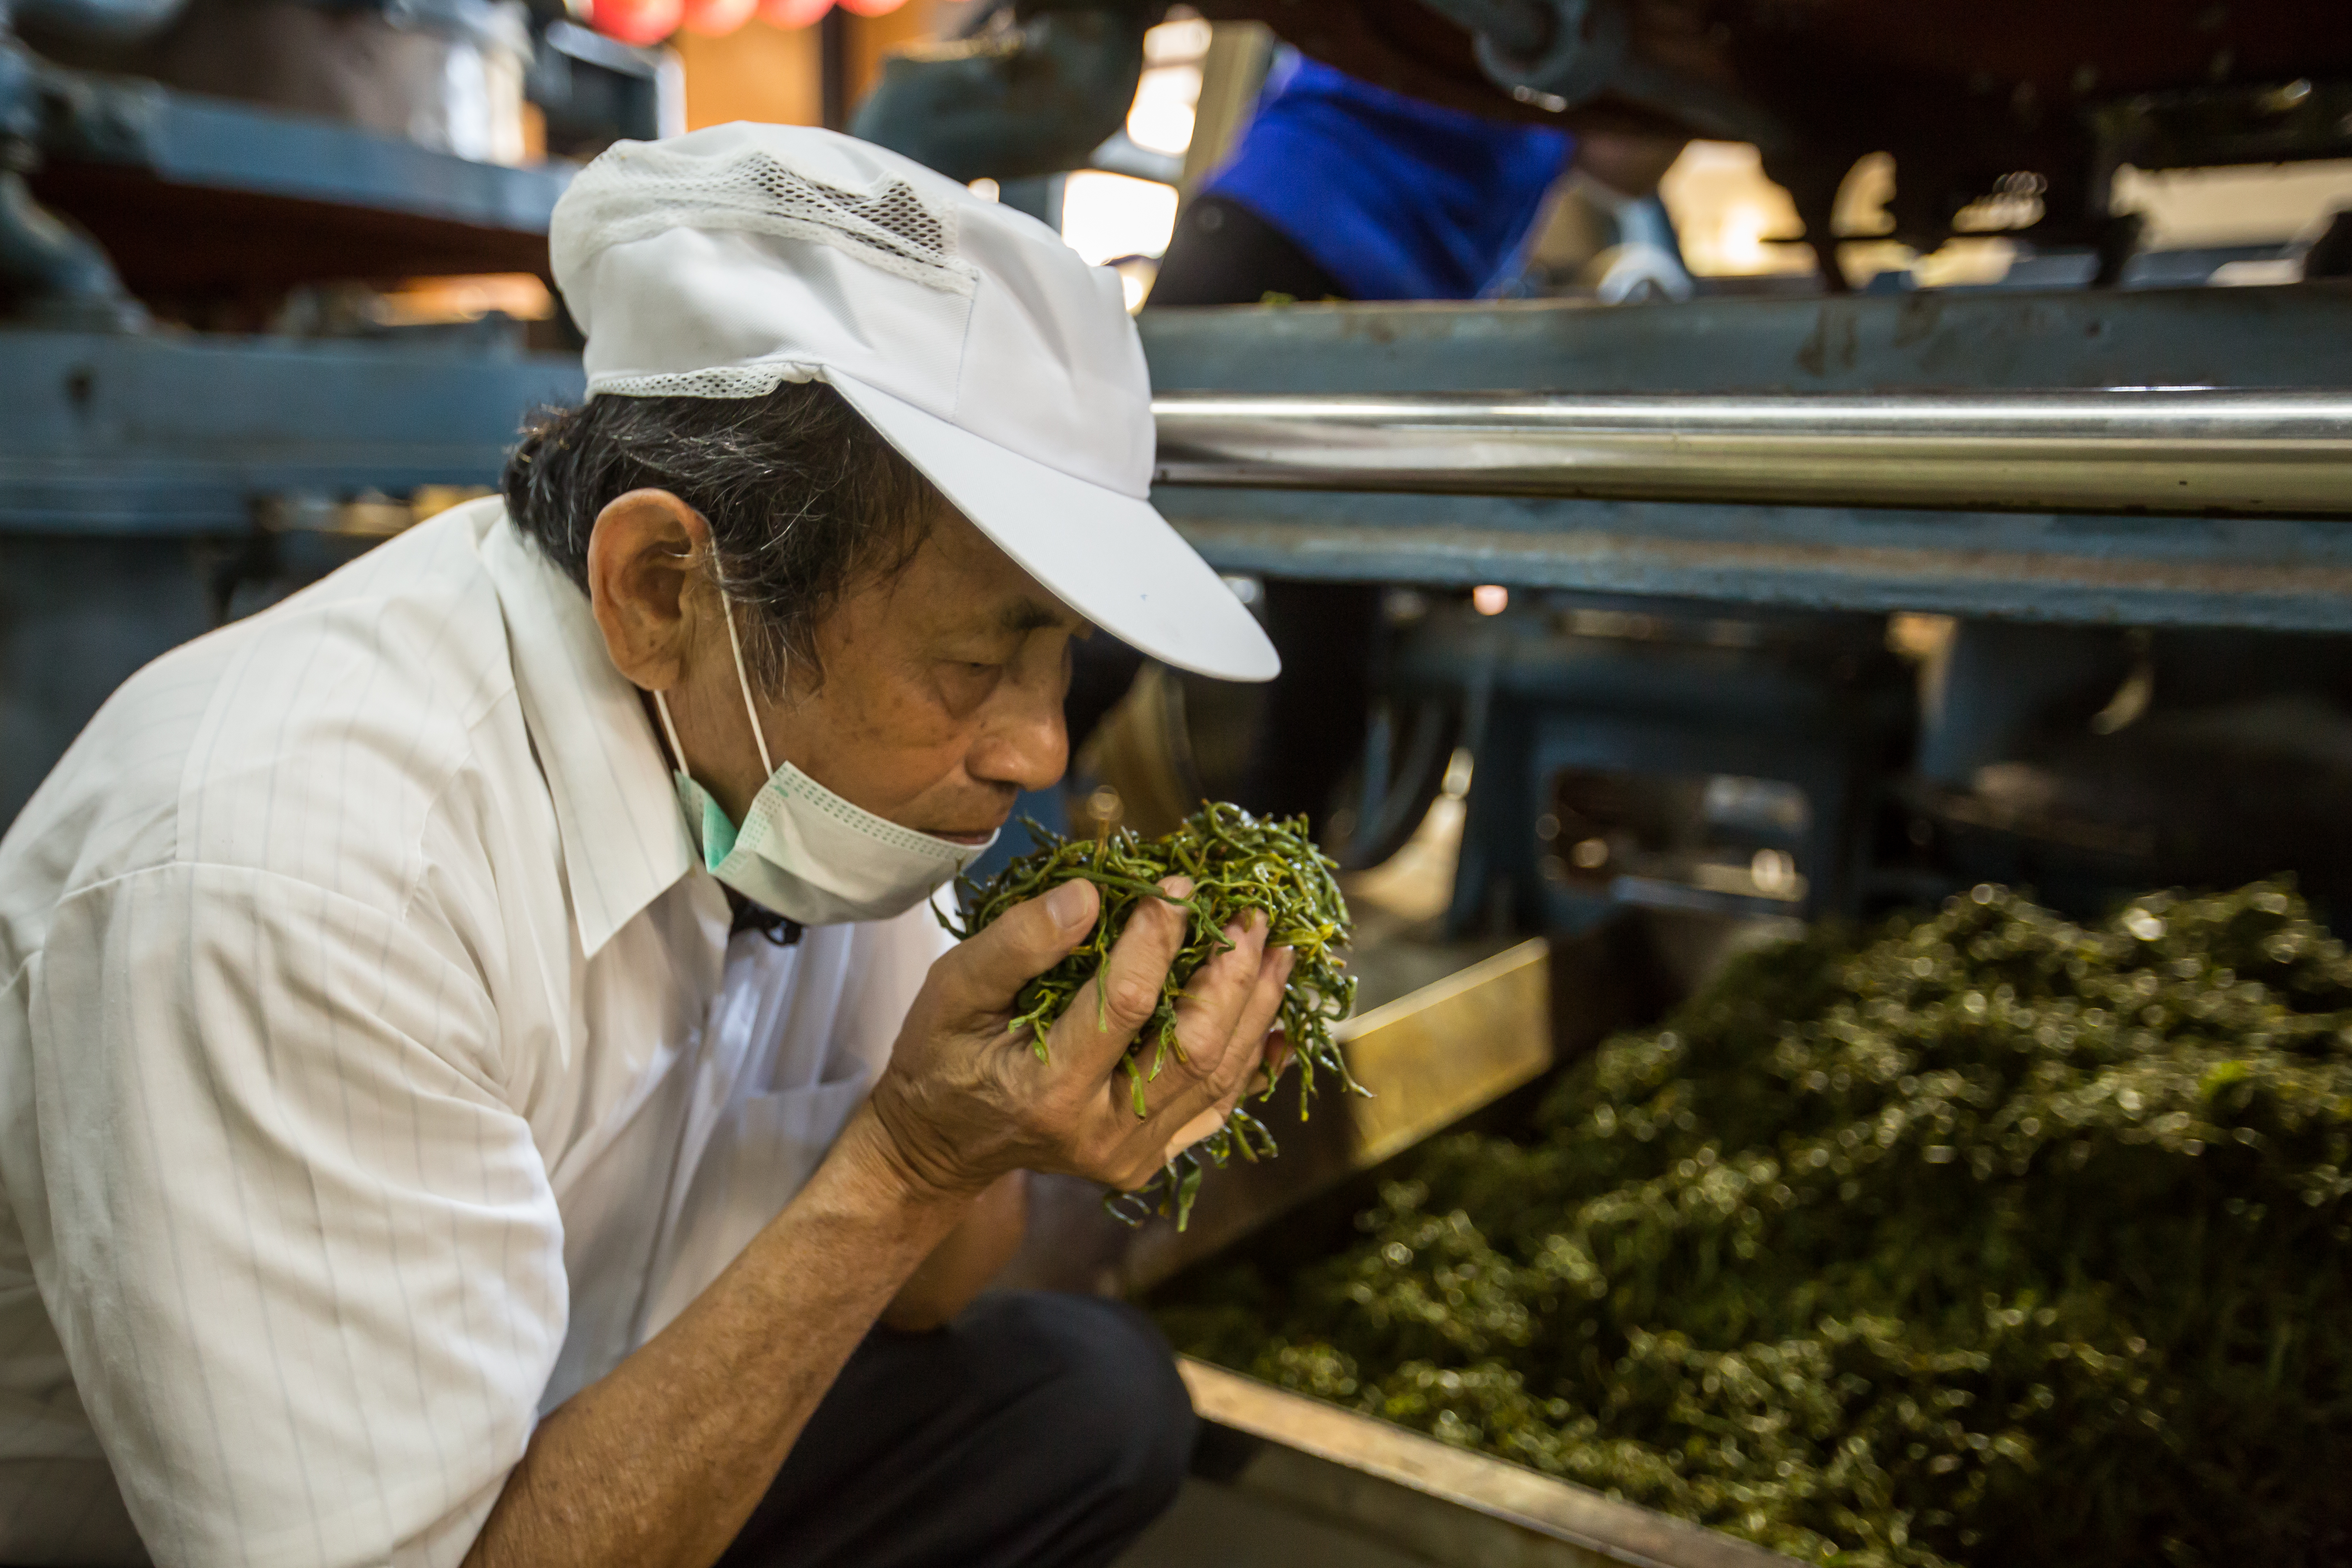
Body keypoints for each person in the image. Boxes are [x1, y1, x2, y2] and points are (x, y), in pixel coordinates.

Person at [0, 123, 1286, 1568]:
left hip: (572, 1414)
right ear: (662, 585)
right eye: (979, 661)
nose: (1039, 751)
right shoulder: (293, 881)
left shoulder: (801, 747)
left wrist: (1009, 1113)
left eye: (1063, 656)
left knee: (1084, 1400)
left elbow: (932, 1295)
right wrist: (904, 1168)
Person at [1148, 53, 1573, 829]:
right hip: (1359, 309)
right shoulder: (1588, 48)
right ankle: (1245, 917)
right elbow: (1630, 160)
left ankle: (1225, 918)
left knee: (1111, 581)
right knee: (1318, 675)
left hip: (1252, 236)